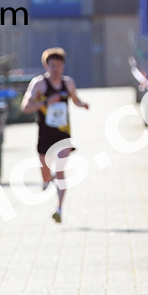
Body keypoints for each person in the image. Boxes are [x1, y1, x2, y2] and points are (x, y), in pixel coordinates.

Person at [20, 47, 89, 223]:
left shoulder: (68, 83)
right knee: (45, 173)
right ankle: (46, 180)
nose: (55, 69)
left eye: (59, 65)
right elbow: (25, 107)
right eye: (52, 65)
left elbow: (75, 99)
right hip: (45, 134)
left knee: (60, 170)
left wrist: (83, 105)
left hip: (63, 135)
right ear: (46, 65)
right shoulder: (39, 84)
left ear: (63, 66)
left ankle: (59, 208)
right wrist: (46, 101)